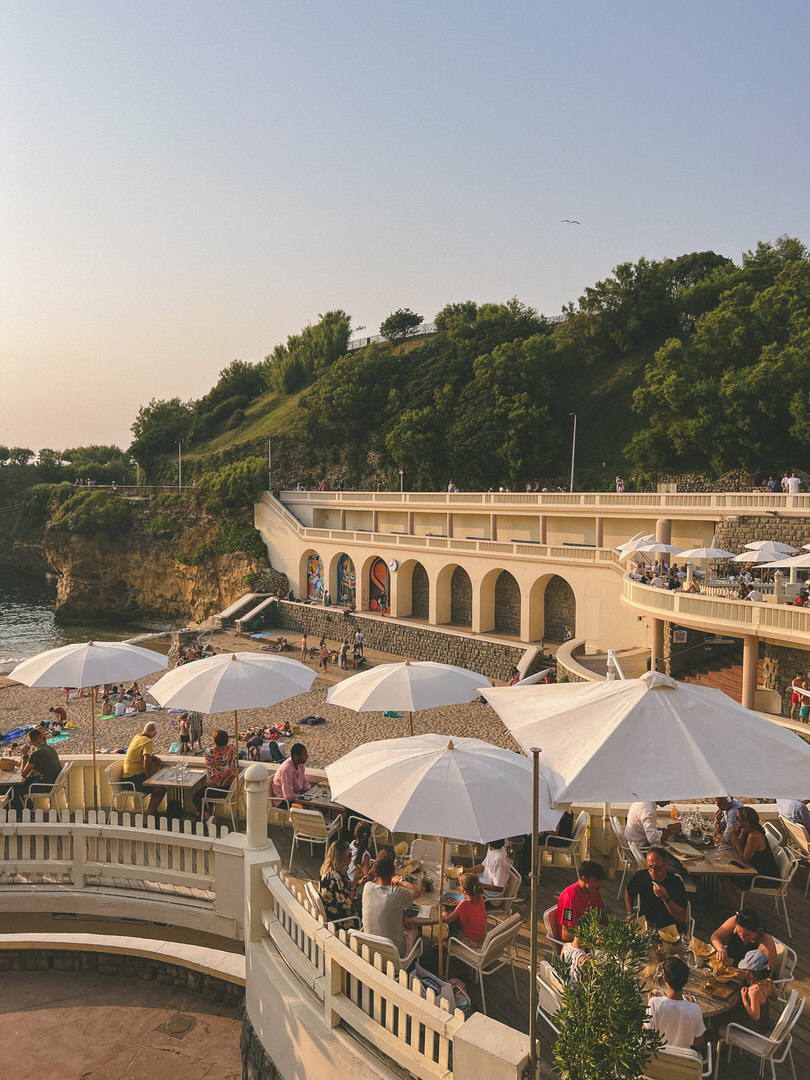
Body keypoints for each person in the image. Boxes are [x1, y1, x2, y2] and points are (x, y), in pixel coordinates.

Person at [361, 852, 420, 957]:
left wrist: (402, 918)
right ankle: (413, 965)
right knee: (415, 929)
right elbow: (416, 892)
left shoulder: (367, 888)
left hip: (370, 948)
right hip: (395, 953)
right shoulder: (398, 894)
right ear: (393, 872)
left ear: (375, 873)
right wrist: (400, 880)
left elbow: (382, 910)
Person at [722, 805, 780, 908]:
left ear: (745, 821)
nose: (736, 821)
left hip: (764, 877)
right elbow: (737, 849)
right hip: (755, 869)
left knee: (725, 878)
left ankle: (734, 908)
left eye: (737, 819)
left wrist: (734, 838)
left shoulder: (754, 836)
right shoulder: (747, 830)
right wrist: (735, 837)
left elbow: (744, 859)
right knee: (725, 874)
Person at [646, 956, 706, 1051]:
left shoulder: (654, 1004)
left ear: (665, 979)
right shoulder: (695, 1009)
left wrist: (650, 1004)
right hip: (683, 1062)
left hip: (658, 1061)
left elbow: (646, 1034)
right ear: (686, 981)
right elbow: (698, 1043)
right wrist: (692, 1006)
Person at [625, 847, 688, 931]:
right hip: (646, 926)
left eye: (657, 868)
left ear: (666, 866)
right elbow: (629, 892)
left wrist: (666, 898)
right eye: (649, 867)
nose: (653, 871)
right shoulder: (641, 876)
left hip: (669, 929)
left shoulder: (675, 883)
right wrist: (630, 912)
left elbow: (681, 918)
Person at [121, 721, 167, 820]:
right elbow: (146, 759)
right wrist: (148, 776)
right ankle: (147, 817)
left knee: (156, 787)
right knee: (161, 790)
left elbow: (144, 754)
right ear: (155, 733)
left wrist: (155, 758)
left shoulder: (137, 737)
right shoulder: (148, 742)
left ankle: (152, 812)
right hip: (133, 780)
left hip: (126, 778)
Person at [11, 728, 62, 814]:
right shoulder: (49, 748)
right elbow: (33, 767)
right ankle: (30, 809)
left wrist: (24, 755)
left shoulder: (36, 753)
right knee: (26, 782)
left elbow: (23, 773)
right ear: (41, 738)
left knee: (13, 790)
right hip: (53, 782)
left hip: (47, 785)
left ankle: (21, 814)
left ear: (29, 742)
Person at [192, 729, 237, 821]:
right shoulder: (232, 749)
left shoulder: (211, 752)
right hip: (230, 787)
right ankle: (210, 812)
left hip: (217, 789)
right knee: (207, 788)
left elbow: (208, 763)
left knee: (196, 797)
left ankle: (207, 817)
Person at [556, 861, 607, 942]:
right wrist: (592, 939)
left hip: (590, 935)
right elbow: (565, 935)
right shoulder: (570, 899)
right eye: (596, 881)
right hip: (575, 945)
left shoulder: (593, 891)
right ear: (584, 879)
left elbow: (601, 916)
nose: (600, 885)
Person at [711, 911, 777, 972]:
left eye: (747, 934)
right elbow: (715, 936)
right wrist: (721, 949)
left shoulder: (765, 941)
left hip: (750, 977)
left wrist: (744, 974)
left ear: (757, 930)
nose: (742, 936)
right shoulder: (737, 921)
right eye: (739, 932)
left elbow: (767, 972)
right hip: (729, 967)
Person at [735, 949, 778, 1032]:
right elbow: (774, 998)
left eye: (746, 970)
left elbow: (755, 1016)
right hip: (764, 1022)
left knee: (724, 1014)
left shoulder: (754, 991)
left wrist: (744, 999)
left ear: (751, 973)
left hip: (753, 1027)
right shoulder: (769, 982)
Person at [441, 872, 486, 947]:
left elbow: (447, 919)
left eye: (460, 885)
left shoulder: (464, 904)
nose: (459, 887)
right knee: (455, 924)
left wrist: (443, 911)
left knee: (443, 942)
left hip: (470, 940)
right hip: (481, 936)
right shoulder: (480, 897)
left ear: (464, 891)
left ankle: (446, 951)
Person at [319, 840, 358, 922]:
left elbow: (340, 887)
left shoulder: (326, 870)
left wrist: (356, 882)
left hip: (328, 910)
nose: (351, 857)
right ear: (342, 858)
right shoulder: (337, 879)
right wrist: (354, 885)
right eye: (349, 855)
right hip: (338, 919)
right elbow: (348, 906)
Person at [465, 838, 511, 905]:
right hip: (483, 891)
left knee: (465, 906)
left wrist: (479, 886)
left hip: (490, 899)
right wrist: (468, 870)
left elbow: (499, 888)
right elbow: (483, 865)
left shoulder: (499, 859)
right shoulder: (491, 848)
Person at [271, 742, 310, 806]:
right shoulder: (286, 769)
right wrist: (302, 798)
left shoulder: (300, 765)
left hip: (295, 795)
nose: (307, 756)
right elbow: (288, 796)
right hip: (283, 801)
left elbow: (303, 780)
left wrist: (309, 791)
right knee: (308, 808)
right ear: (296, 757)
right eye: (304, 755)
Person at [348, 821, 373, 887]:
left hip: (348, 877)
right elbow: (366, 878)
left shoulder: (352, 844)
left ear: (355, 835)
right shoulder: (365, 855)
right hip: (356, 884)